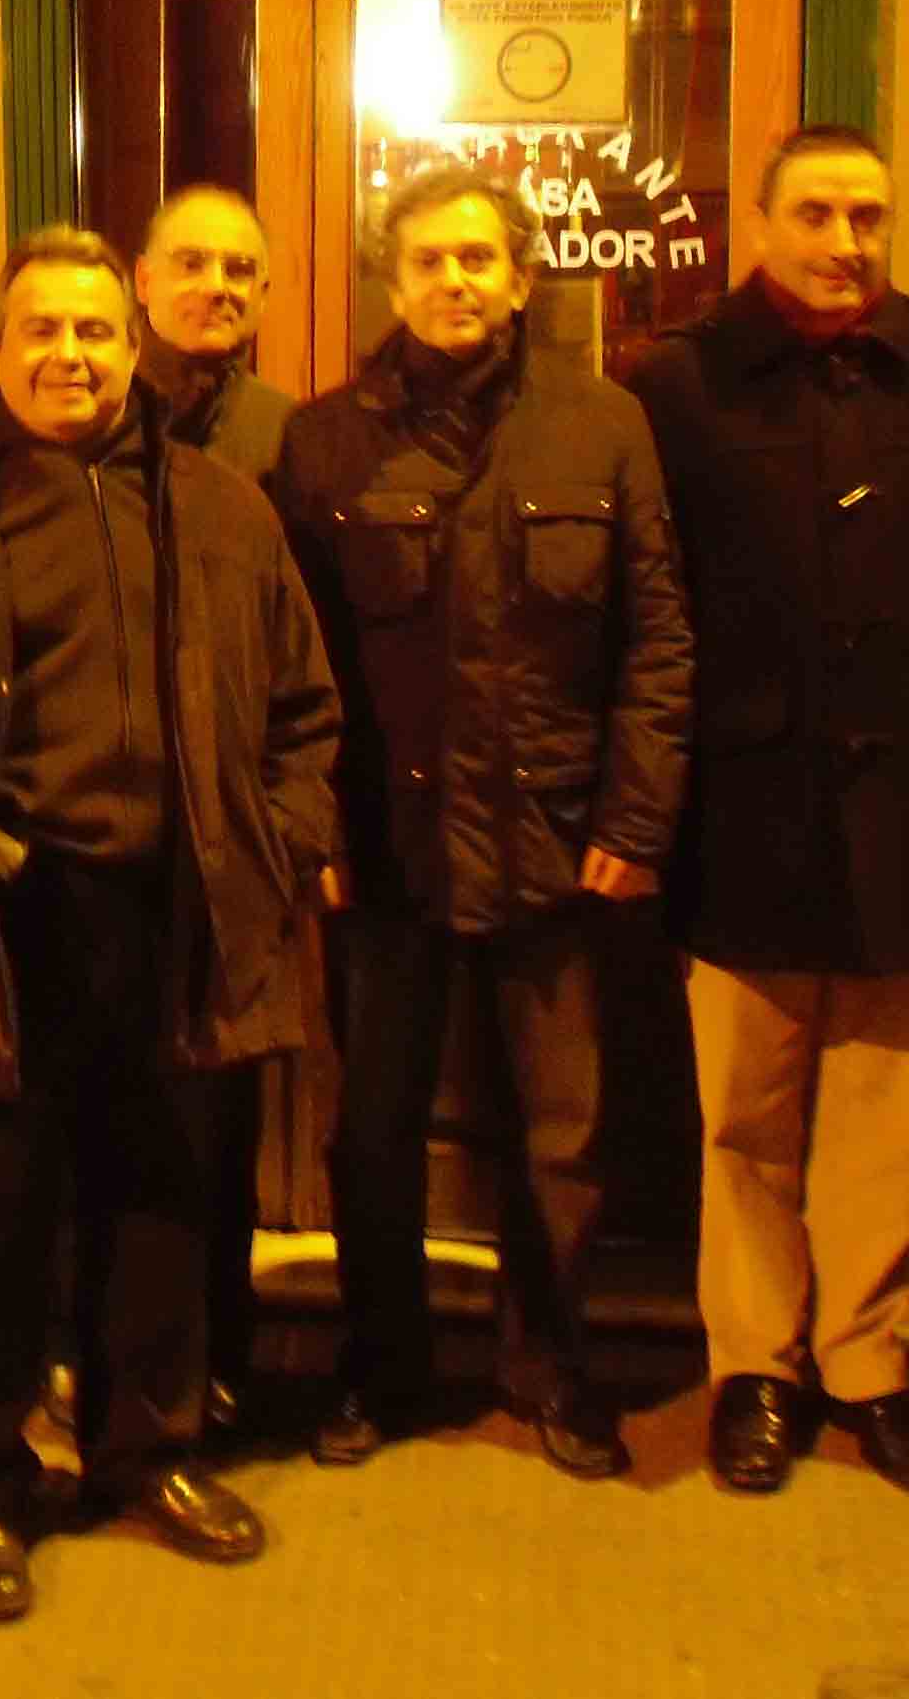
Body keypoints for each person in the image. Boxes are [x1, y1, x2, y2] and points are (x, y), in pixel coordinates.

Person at [0, 227, 340, 1623]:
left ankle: (145, 1451)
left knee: (157, 1209)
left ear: (131, 347)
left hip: (171, 917)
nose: (70, 354)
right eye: (41, 329)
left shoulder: (221, 510)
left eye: (95, 331)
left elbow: (304, 705)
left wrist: (275, 848)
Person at [272, 164, 693, 1480]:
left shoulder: (603, 425)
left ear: (519, 278)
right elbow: (296, 663)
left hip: (555, 841)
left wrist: (635, 816)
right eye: (428, 259)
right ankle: (380, 1366)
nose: (454, 279)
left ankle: (552, 1364)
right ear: (392, 281)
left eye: (478, 258)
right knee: (373, 1131)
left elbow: (658, 636)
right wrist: (318, 831)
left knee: (564, 1134)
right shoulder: (327, 444)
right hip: (387, 854)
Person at [626, 127, 909, 1497]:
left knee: (885, 1111)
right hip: (745, 802)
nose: (847, 240)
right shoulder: (681, 383)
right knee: (744, 1115)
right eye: (820, 213)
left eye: (869, 215)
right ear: (764, 226)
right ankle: (756, 1368)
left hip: (902, 799)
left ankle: (869, 1364)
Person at [133, 183, 295, 1421]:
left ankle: (220, 1360)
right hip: (104, 832)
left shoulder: (291, 440)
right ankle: (104, 1356)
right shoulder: (76, 405)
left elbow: (310, 652)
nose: (217, 287)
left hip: (232, 844)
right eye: (192, 262)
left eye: (240, 270)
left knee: (220, 1123)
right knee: (109, 1120)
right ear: (143, 281)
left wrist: (293, 829)